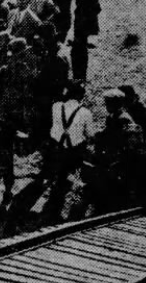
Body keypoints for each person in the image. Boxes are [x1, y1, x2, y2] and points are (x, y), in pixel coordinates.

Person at [44, 81, 93, 220]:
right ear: (81, 96)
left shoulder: (56, 106)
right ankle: (62, 210)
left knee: (57, 178)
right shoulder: (85, 112)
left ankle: (52, 208)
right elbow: (90, 135)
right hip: (73, 152)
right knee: (68, 180)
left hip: (56, 149)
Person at [71, 0, 100, 82]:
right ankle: (78, 77)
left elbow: (97, 8)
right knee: (77, 52)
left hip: (84, 28)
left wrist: (85, 21)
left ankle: (80, 78)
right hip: (79, 27)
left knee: (80, 53)